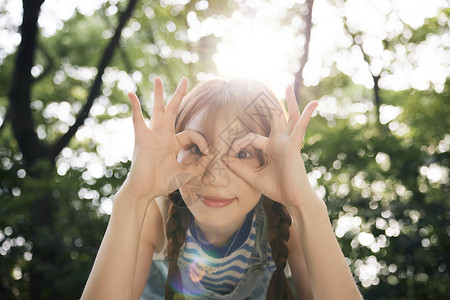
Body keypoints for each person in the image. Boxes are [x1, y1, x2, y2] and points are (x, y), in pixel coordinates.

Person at [80, 77, 363, 300]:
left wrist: (304, 202)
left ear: (273, 161)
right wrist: (133, 196)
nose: (214, 178)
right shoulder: (154, 215)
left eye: (242, 153)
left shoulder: (286, 223)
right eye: (195, 147)